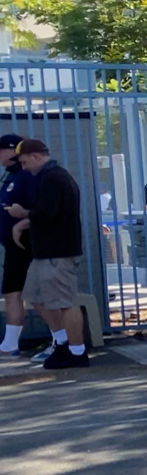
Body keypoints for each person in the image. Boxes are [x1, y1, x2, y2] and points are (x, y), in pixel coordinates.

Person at [10, 140, 90, 367]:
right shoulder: (50, 177)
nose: (24, 167)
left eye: (24, 162)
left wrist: (21, 214)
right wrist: (24, 223)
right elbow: (46, 213)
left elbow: (47, 214)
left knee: (65, 302)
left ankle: (76, 352)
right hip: (47, 253)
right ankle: (63, 341)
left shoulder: (53, 178)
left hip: (58, 252)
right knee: (35, 296)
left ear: (35, 156)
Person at [0, 135, 33, 356]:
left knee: (39, 296)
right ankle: (9, 344)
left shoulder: (26, 176)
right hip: (12, 248)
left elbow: (38, 208)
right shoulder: (10, 176)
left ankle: (61, 340)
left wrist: (21, 222)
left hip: (26, 245)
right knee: (12, 293)